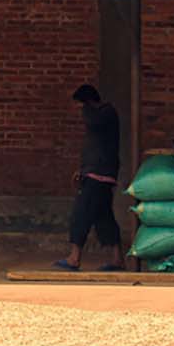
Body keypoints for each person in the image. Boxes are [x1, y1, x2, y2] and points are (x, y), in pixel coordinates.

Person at [56, 83, 122, 271]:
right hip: (97, 173)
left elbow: (95, 127)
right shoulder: (101, 118)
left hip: (98, 175)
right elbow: (93, 147)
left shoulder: (104, 114)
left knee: (81, 215)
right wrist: (83, 169)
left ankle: (74, 257)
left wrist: (86, 110)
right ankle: (117, 259)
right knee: (104, 217)